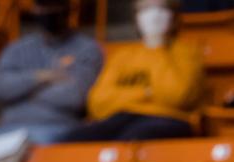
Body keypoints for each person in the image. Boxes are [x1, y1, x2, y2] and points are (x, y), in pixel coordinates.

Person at [0, 0, 103, 148]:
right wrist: (42, 77)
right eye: (43, 7)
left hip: (55, 128)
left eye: (54, 6)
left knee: (35, 147)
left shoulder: (87, 48)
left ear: (67, 9)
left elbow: (74, 97)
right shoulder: (18, 48)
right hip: (8, 128)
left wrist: (19, 93)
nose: (48, 13)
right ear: (35, 10)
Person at [63, 0, 203, 142]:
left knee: (132, 139)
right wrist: (146, 92)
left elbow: (177, 97)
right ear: (136, 17)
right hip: (122, 117)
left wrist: (157, 47)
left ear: (174, 17)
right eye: (146, 9)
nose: (154, 16)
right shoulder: (123, 55)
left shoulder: (186, 53)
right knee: (69, 141)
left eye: (162, 9)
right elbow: (97, 103)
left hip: (168, 117)